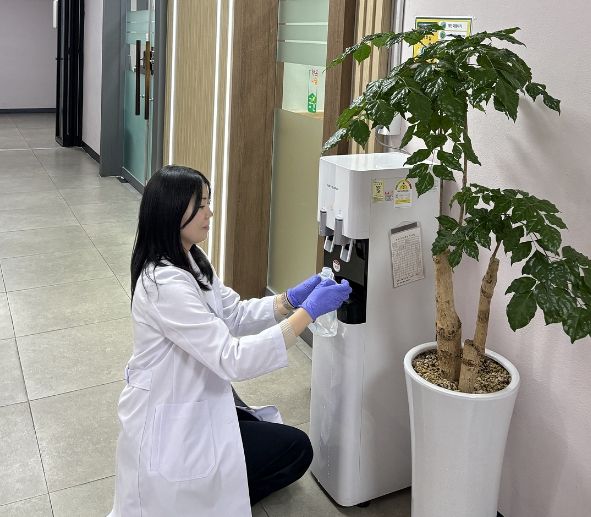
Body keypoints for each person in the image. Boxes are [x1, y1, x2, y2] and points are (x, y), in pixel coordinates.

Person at [107, 165, 351, 517]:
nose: (210, 213)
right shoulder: (162, 283)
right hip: (171, 421)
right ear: (172, 211)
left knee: (258, 435)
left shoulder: (192, 257)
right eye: (201, 205)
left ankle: (219, 490)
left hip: (198, 395)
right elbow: (232, 358)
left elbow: (233, 314)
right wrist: (307, 315)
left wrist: (288, 300)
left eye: (208, 203)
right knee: (296, 449)